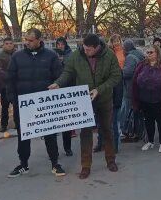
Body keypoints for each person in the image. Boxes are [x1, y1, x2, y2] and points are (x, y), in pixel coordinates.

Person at [51, 34, 121, 179]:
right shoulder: (77, 56)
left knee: (107, 129)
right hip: (84, 100)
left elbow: (116, 76)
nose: (86, 51)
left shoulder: (109, 55)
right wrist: (58, 83)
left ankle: (111, 160)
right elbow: (68, 72)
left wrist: (99, 89)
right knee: (86, 132)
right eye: (84, 48)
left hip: (104, 98)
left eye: (89, 49)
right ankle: (86, 165)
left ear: (97, 47)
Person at [7, 28, 65, 178]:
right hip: (24, 105)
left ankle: (55, 162)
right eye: (26, 40)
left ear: (39, 40)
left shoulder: (51, 56)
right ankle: (23, 164)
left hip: (44, 105)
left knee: (50, 134)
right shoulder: (17, 57)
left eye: (30, 40)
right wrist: (13, 99)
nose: (27, 43)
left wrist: (56, 89)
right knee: (23, 135)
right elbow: (10, 80)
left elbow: (59, 78)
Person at [132, 45, 161, 153]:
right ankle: (150, 141)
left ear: (157, 53)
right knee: (148, 121)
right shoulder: (141, 65)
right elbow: (135, 79)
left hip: (159, 99)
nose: (149, 54)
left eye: (151, 52)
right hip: (145, 98)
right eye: (147, 52)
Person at [95, 34, 125, 153]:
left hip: (112, 99)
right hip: (100, 99)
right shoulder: (97, 66)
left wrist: (117, 101)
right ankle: (101, 143)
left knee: (112, 124)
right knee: (100, 124)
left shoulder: (115, 66)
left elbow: (118, 85)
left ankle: (114, 147)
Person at [120, 39, 146, 142]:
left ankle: (133, 134)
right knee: (138, 112)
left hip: (131, 88)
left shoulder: (130, 57)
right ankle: (139, 133)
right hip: (140, 87)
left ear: (126, 48)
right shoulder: (139, 53)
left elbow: (127, 73)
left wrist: (119, 71)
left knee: (131, 111)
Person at [54, 36, 75, 156]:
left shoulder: (70, 55)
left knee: (66, 122)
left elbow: (71, 70)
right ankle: (54, 151)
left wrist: (63, 61)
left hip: (67, 88)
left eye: (62, 44)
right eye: (58, 44)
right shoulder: (53, 55)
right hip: (55, 88)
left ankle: (68, 147)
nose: (60, 46)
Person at [0, 37, 16, 134]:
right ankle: (3, 125)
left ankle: (17, 123)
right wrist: (9, 76)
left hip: (16, 84)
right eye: (6, 43)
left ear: (13, 44)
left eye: (10, 43)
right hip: (5, 85)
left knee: (16, 105)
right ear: (3, 45)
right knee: (5, 106)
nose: (9, 45)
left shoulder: (17, 54)